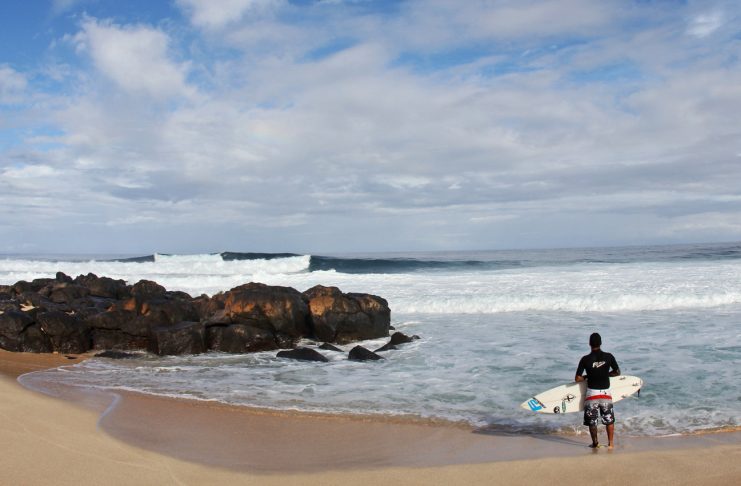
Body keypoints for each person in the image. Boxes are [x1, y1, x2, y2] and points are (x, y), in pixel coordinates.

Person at [575, 332, 620, 449]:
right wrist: (606, 374)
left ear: (589, 344)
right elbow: (617, 372)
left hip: (592, 395)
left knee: (592, 421)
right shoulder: (609, 356)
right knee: (609, 420)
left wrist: (587, 376)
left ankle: (595, 443)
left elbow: (577, 378)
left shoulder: (585, 359)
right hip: (606, 394)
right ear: (600, 343)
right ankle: (610, 444)